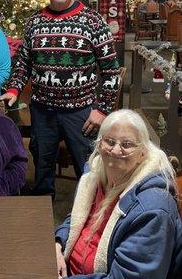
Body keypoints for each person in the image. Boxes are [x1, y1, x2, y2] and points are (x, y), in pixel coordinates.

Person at [0, 0, 120, 198]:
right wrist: (13, 90)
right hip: (42, 111)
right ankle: (42, 207)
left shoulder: (93, 21)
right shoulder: (34, 22)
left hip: (81, 113)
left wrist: (102, 109)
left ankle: (89, 211)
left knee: (88, 166)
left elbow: (111, 71)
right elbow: (23, 62)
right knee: (42, 162)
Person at [55, 109, 182, 279]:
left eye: (127, 144)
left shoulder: (153, 209)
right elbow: (78, 217)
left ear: (143, 152)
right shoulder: (96, 172)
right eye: (109, 141)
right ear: (99, 145)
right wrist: (58, 243)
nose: (115, 150)